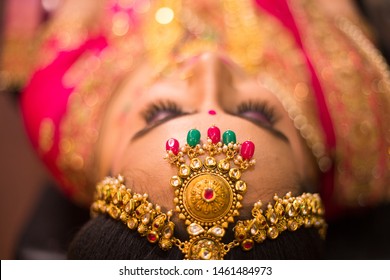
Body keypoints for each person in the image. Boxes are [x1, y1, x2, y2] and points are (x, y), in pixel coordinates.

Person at [13, 0, 390, 259]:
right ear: (311, 169)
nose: (209, 64)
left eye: (162, 112)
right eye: (256, 114)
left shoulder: (62, 103)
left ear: (110, 162)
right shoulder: (360, 117)